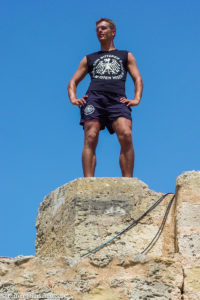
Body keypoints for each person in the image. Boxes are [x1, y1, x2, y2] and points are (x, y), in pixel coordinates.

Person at [68, 18, 143, 177]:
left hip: (118, 100)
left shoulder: (125, 55)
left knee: (126, 134)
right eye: (97, 29)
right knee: (90, 135)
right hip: (95, 99)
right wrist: (73, 98)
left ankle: (128, 181)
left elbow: (137, 78)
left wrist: (136, 99)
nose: (99, 31)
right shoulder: (89, 58)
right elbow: (73, 82)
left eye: (103, 28)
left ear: (113, 32)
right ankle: (88, 181)